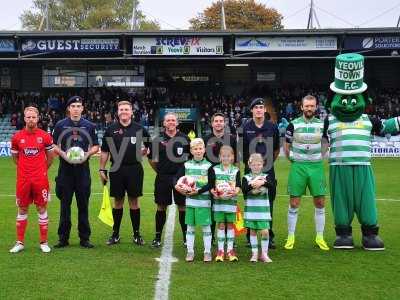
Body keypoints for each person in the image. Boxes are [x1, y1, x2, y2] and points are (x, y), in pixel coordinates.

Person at [99, 100, 151, 246]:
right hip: (116, 169)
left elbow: (150, 147)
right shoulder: (111, 129)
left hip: (135, 169)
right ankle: (115, 234)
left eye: (126, 109)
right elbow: (104, 151)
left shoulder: (140, 129)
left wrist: (144, 152)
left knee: (134, 201)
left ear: (131, 112)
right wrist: (102, 169)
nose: (124, 112)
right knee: (118, 201)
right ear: (118, 112)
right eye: (121, 109)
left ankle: (136, 234)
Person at [283, 95, 329, 251]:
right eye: (307, 106)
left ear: (316, 107)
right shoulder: (293, 124)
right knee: (294, 202)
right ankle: (290, 236)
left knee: (320, 202)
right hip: (299, 167)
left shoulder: (323, 124)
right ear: (301, 107)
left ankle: (320, 237)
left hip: (316, 167)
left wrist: (320, 157)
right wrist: (293, 160)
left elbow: (325, 142)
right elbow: (286, 144)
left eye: (312, 106)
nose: (309, 108)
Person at [52, 96, 99, 249]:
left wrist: (86, 155)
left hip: (83, 171)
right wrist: (64, 155)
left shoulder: (90, 126)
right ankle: (63, 238)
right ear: (69, 109)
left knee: (83, 205)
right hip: (65, 171)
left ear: (82, 108)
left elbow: (96, 146)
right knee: (65, 205)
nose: (76, 108)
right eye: (73, 106)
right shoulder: (60, 125)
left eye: (79, 106)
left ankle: (84, 238)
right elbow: (54, 145)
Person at [10, 106, 55, 253]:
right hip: (23, 179)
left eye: (33, 117)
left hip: (40, 179)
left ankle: (43, 242)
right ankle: (20, 242)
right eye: (28, 117)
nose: (31, 119)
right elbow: (15, 158)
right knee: (22, 208)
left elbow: (50, 158)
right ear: (24, 118)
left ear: (38, 118)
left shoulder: (45, 136)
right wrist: (25, 169)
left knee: (41, 208)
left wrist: (41, 170)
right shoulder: (17, 137)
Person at [242, 98, 280, 248]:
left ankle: (268, 236)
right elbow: (243, 149)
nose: (258, 109)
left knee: (268, 202)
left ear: (265, 110)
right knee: (250, 200)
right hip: (250, 170)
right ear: (251, 110)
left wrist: (267, 165)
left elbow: (276, 149)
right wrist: (251, 168)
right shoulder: (246, 127)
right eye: (256, 107)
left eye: (261, 107)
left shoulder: (272, 127)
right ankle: (249, 234)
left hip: (267, 169)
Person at [148, 112, 190, 248]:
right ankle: (157, 237)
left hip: (181, 178)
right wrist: (160, 171)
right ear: (164, 123)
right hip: (163, 177)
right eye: (168, 120)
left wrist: (184, 176)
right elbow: (152, 160)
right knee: (161, 206)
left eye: (173, 120)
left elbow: (189, 159)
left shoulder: (184, 138)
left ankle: (186, 237)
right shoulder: (157, 139)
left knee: (182, 207)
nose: (171, 122)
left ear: (177, 123)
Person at [174, 138, 212, 262]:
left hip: (204, 202)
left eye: (200, 148)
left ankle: (207, 252)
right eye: (195, 149)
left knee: (206, 227)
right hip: (190, 202)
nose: (198, 151)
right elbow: (176, 178)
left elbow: (211, 184)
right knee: (190, 227)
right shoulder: (186, 165)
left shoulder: (209, 166)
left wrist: (198, 191)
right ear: (191, 151)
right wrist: (178, 187)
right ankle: (190, 252)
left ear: (204, 150)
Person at [203, 112, 238, 243]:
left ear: (224, 123)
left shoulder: (232, 139)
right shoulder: (206, 139)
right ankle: (212, 236)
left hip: (228, 179)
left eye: (221, 121)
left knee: (228, 208)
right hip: (211, 179)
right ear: (212, 123)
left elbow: (236, 160)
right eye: (216, 121)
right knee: (212, 207)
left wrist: (234, 179)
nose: (218, 123)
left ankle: (230, 238)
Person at [208, 145, 241, 262]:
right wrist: (215, 193)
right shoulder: (215, 169)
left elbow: (238, 186)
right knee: (221, 225)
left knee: (231, 225)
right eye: (223, 156)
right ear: (219, 157)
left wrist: (233, 193)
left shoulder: (236, 170)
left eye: (228, 156)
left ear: (232, 157)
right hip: (219, 203)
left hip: (231, 203)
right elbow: (211, 186)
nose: (226, 158)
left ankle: (230, 251)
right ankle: (221, 251)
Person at [242, 153, 274, 263]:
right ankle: (255, 254)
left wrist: (262, 182)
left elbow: (272, 185)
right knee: (253, 231)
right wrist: (252, 185)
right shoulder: (246, 177)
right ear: (249, 165)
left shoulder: (265, 177)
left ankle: (264, 254)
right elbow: (244, 189)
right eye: (254, 165)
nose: (256, 167)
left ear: (262, 165)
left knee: (265, 231)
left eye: (259, 164)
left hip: (263, 210)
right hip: (251, 210)